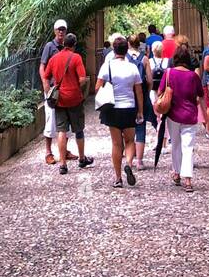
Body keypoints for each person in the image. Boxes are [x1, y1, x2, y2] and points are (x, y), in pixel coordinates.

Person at [95, 34, 144, 188]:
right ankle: (128, 163)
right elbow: (139, 92)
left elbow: (97, 87)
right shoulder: (132, 67)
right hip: (129, 108)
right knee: (130, 141)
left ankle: (118, 178)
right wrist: (140, 111)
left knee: (116, 144)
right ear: (126, 49)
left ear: (114, 50)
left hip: (112, 109)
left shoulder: (107, 66)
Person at [157, 40, 206, 192]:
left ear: (175, 59)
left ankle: (177, 172)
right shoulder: (193, 76)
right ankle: (188, 179)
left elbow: (160, 92)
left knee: (176, 145)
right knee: (188, 147)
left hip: (173, 115)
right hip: (190, 115)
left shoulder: (169, 73)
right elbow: (200, 94)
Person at [44, 33, 94, 173]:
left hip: (59, 100)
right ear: (74, 44)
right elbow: (83, 78)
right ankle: (82, 158)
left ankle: (63, 164)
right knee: (78, 129)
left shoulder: (54, 59)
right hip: (75, 99)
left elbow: (46, 76)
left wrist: (49, 91)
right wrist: (76, 87)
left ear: (63, 44)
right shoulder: (76, 57)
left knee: (61, 131)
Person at [39, 18, 68, 165]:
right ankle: (48, 152)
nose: (61, 31)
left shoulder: (67, 46)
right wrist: (45, 84)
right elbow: (42, 67)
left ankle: (64, 150)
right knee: (50, 120)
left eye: (63, 29)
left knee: (64, 120)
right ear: (55, 31)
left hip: (64, 88)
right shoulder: (50, 46)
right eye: (59, 29)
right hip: (52, 89)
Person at [127, 32, 156, 167]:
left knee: (127, 127)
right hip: (142, 95)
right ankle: (139, 161)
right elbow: (150, 80)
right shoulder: (144, 59)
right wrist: (147, 92)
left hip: (127, 95)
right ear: (139, 44)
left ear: (128, 44)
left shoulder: (124, 58)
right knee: (140, 126)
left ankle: (129, 159)